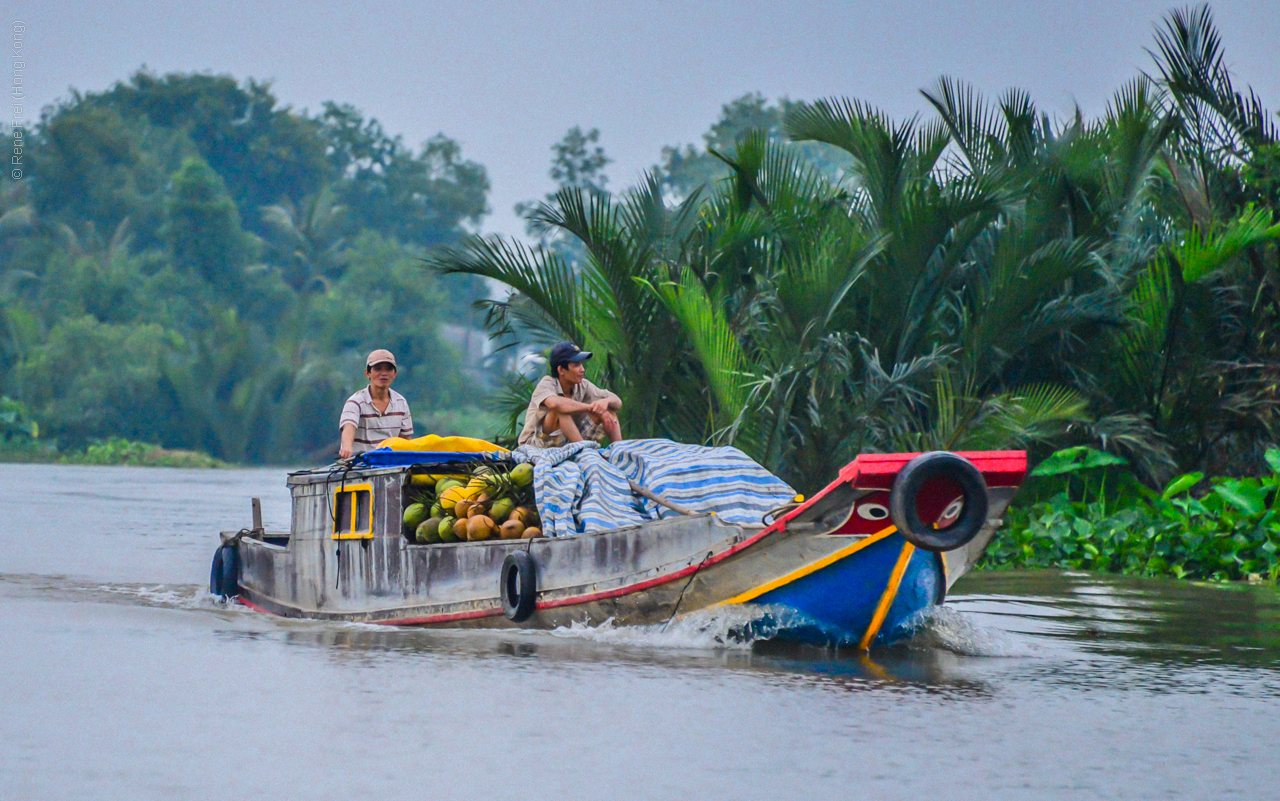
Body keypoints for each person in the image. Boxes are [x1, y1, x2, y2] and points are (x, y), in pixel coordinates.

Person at [518, 341, 622, 449]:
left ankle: (620, 451)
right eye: (576, 365)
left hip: (568, 440)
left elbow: (617, 401)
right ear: (561, 370)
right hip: (535, 444)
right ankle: (586, 453)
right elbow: (555, 404)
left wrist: (605, 402)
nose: (582, 369)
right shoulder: (547, 383)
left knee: (609, 409)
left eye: (581, 364)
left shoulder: (583, 385)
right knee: (560, 409)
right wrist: (591, 407)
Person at [338, 349, 414, 458]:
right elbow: (349, 427)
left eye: (388, 369)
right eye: (378, 369)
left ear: (395, 374)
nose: (383, 374)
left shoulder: (401, 402)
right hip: (359, 467)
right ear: (368, 373)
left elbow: (405, 441)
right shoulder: (355, 402)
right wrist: (347, 447)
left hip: (390, 467)